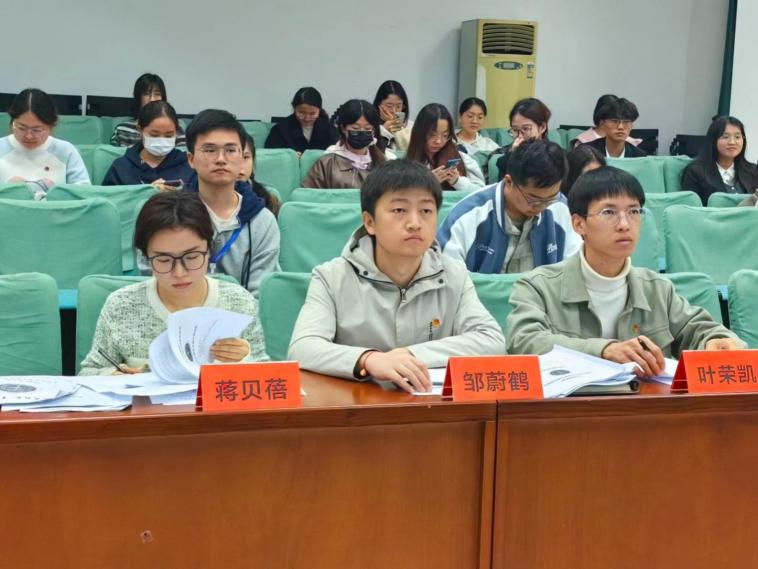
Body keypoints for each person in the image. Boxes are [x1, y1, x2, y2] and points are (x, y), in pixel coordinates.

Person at [288, 159, 505, 392]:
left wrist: (408, 356)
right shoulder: (331, 277)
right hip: (359, 405)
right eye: (399, 210)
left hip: (430, 406)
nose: (415, 223)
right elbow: (303, 347)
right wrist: (368, 360)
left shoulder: (454, 274)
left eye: (426, 211)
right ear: (370, 222)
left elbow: (491, 340)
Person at [506, 166, 743, 375]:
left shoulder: (658, 289)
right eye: (609, 212)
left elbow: (700, 329)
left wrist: (716, 341)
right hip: (572, 408)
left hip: (645, 407)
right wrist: (604, 350)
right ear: (579, 224)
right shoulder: (538, 286)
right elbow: (524, 342)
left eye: (634, 211)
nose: (624, 224)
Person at [79, 191, 268, 375]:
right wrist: (113, 378)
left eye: (192, 257)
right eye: (163, 260)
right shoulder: (121, 306)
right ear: (145, 257)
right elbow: (89, 372)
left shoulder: (239, 303)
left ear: (209, 250)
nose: (179, 273)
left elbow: (267, 373)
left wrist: (246, 360)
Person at [438, 140, 581, 274]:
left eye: (550, 199)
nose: (542, 207)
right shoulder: (469, 215)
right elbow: (445, 276)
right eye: (534, 199)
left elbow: (575, 267)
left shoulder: (560, 207)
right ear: (509, 182)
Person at [184, 109, 280, 296]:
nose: (221, 159)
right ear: (191, 159)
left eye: (230, 150)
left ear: (242, 158)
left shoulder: (262, 221)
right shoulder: (169, 215)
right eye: (210, 150)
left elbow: (260, 293)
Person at [0, 88, 90, 197]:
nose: (28, 136)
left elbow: (83, 193)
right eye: (21, 128)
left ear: (51, 125)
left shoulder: (66, 151)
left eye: (37, 130)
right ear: (12, 123)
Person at [302, 99, 392, 189]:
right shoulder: (327, 163)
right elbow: (308, 193)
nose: (362, 132)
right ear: (343, 128)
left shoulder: (384, 162)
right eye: (355, 128)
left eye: (367, 128)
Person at [102, 101, 192, 190]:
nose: (162, 140)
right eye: (154, 135)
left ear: (176, 132)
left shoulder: (189, 165)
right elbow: (108, 197)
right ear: (140, 130)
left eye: (169, 135)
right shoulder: (122, 168)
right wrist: (146, 192)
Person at [405, 103, 485, 193]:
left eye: (445, 135)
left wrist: (457, 181)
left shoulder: (463, 159)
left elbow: (482, 192)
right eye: (432, 134)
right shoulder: (407, 163)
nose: (438, 141)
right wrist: (428, 183)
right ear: (420, 133)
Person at [681, 116, 758, 205]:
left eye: (737, 137)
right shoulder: (695, 172)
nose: (732, 142)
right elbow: (689, 208)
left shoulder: (753, 171)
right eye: (725, 137)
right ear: (713, 140)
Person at [110, 73, 186, 148]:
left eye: (157, 94)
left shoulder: (175, 129)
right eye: (146, 94)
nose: (152, 99)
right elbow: (113, 154)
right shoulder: (122, 130)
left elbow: (183, 152)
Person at [264, 87, 338, 154]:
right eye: (302, 113)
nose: (307, 118)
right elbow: (271, 155)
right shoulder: (281, 129)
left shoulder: (329, 130)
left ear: (319, 110)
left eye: (312, 113)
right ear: (294, 108)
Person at [495, 97, 551, 180]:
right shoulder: (504, 161)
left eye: (525, 128)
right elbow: (504, 186)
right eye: (515, 130)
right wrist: (514, 157)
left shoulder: (556, 158)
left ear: (542, 127)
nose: (520, 136)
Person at [571, 94, 642, 148]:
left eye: (625, 121)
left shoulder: (630, 142)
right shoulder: (584, 142)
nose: (620, 126)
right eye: (614, 120)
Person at [239, 133, 281, 216]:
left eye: (245, 157)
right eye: (232, 156)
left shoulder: (269, 200)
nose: (240, 165)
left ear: (253, 161)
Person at [373, 80, 413, 151]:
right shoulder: (370, 126)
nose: (394, 111)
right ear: (379, 105)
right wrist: (383, 130)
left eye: (398, 106)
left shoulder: (410, 126)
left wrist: (399, 131)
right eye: (389, 106)